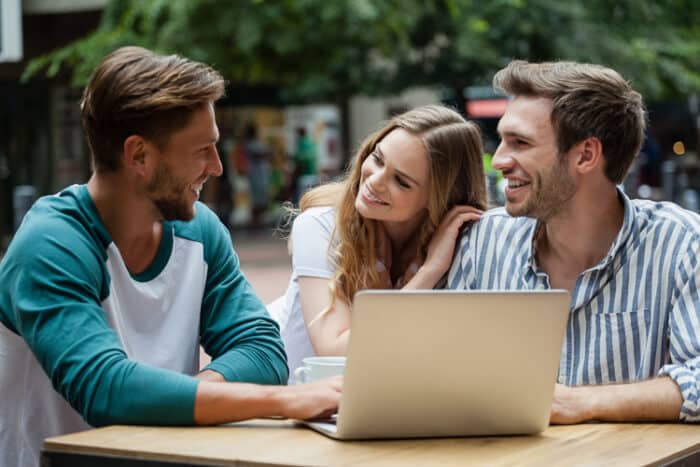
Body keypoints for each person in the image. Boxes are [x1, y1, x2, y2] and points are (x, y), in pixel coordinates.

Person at [0, 46, 340, 467]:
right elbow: (106, 390)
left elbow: (263, 350)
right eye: (203, 149)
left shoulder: (200, 230)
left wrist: (180, 398)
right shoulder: (50, 244)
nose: (217, 167)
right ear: (138, 155)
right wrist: (285, 401)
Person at [448, 60, 700, 424]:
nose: (499, 160)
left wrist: (583, 403)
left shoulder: (682, 245)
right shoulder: (483, 240)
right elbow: (436, 370)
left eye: (520, 142)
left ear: (585, 155)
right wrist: (429, 272)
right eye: (502, 140)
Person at [280, 105, 488, 381]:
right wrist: (427, 274)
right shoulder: (320, 226)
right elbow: (332, 349)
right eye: (377, 159)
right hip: (296, 404)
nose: (375, 181)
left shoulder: (461, 241)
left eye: (401, 181)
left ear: (439, 198)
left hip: (387, 405)